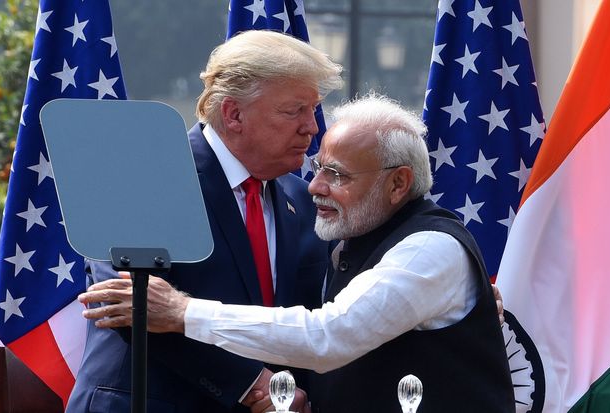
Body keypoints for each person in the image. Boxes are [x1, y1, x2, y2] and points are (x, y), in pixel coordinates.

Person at [81, 93, 516, 412]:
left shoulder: (429, 250)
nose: (315, 186)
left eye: (337, 175)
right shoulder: (352, 235)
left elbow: (328, 334)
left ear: (398, 184)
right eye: (318, 168)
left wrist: (182, 311)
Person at [66, 30, 343, 413]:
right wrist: (252, 384)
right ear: (234, 114)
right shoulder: (144, 175)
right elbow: (123, 301)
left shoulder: (304, 199)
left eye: (313, 110)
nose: (311, 128)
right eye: (294, 110)